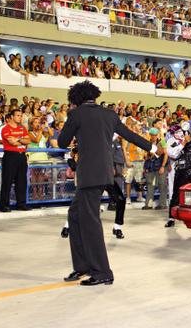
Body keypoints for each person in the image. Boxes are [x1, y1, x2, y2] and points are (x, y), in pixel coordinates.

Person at [58, 81, 153, 286]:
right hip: (104, 173)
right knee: (74, 215)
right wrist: (150, 146)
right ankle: (82, 266)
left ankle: (102, 272)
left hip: (88, 176)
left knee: (90, 222)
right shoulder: (109, 115)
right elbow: (130, 134)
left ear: (75, 99)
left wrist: (72, 121)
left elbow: (62, 142)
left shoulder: (76, 114)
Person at [0, 110, 32, 212]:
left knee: (21, 181)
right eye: (17, 115)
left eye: (21, 116)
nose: (20, 117)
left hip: (22, 156)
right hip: (10, 156)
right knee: (7, 181)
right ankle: (4, 205)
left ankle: (21, 204)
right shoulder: (5, 129)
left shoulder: (22, 128)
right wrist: (21, 139)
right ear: (12, 117)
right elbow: (12, 142)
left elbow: (28, 141)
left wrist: (18, 139)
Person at [143, 128, 168, 210]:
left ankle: (162, 204)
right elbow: (146, 156)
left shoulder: (162, 141)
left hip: (160, 166)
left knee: (162, 185)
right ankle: (148, 204)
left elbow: (166, 154)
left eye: (154, 135)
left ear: (157, 135)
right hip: (150, 166)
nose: (153, 136)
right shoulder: (148, 143)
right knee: (150, 185)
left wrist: (163, 166)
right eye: (152, 135)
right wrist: (145, 167)